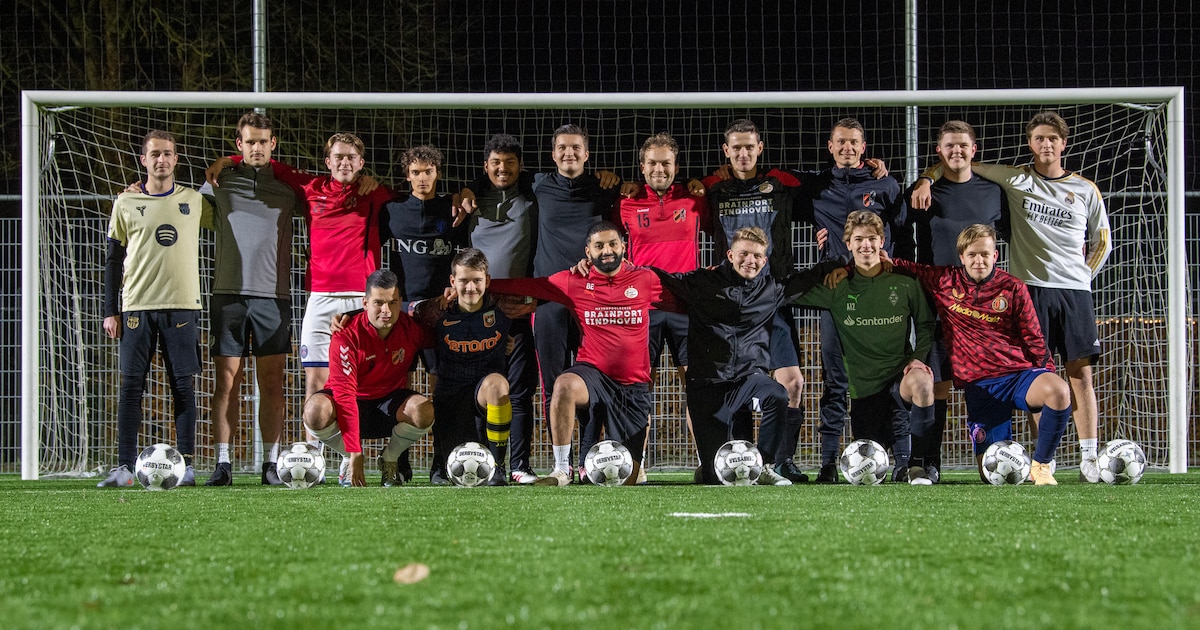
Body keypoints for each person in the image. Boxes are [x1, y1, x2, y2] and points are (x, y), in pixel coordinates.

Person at [911, 111, 1112, 482]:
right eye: (1039, 138)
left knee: (1075, 373)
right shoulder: (1015, 179)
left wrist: (1083, 275)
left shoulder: (1082, 189)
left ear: (1063, 143)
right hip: (1007, 289)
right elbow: (957, 161)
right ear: (1030, 143)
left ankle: (1083, 459)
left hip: (1071, 292)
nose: (1046, 144)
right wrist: (926, 176)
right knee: (1019, 372)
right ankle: (1032, 463)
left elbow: (1102, 240)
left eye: (1053, 138)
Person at [649, 227, 842, 485]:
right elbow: (661, 280)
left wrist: (839, 265)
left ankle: (763, 464)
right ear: (730, 254)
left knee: (778, 394)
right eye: (744, 254)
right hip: (708, 383)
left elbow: (810, 277)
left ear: (765, 260)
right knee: (714, 477)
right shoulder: (702, 282)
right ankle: (706, 467)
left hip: (747, 378)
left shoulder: (771, 290)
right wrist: (627, 270)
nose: (749, 261)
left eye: (757, 256)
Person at [886, 224, 1072, 485]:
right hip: (980, 387)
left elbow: (1034, 338)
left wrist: (1046, 371)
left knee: (1059, 391)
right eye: (972, 254)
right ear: (961, 257)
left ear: (995, 255)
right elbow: (909, 267)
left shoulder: (1013, 288)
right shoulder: (945, 281)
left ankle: (1041, 466)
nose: (979, 260)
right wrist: (877, 261)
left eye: (985, 254)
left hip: (1017, 375)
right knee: (991, 475)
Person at [488, 222, 661, 487]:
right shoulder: (574, 280)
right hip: (592, 375)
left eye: (612, 244)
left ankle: (635, 463)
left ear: (623, 247)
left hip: (631, 385)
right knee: (564, 385)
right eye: (599, 245)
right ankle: (561, 470)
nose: (607, 250)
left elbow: (683, 292)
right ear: (587, 251)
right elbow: (530, 286)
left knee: (630, 478)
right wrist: (481, 284)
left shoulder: (646, 279)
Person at [98, 130, 212, 488]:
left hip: (182, 307)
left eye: (167, 154)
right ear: (143, 160)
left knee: (183, 388)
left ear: (176, 159)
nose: (161, 160)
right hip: (136, 306)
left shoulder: (194, 201)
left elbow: (232, 210)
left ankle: (188, 467)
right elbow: (113, 260)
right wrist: (109, 310)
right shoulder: (125, 203)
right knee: (131, 387)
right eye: (154, 155)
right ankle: (123, 469)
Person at [793, 211, 934, 483]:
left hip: (899, 379)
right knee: (870, 468)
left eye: (871, 238)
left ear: (882, 241)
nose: (865, 245)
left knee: (923, 383)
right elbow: (792, 293)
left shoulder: (904, 281)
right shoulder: (837, 286)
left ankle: (916, 465)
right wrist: (833, 267)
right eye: (858, 239)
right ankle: (894, 464)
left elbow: (926, 325)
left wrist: (917, 359)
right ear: (848, 243)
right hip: (864, 388)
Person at [900, 120, 1006, 483]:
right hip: (938, 301)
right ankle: (929, 462)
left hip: (983, 305)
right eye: (949, 146)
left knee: (984, 379)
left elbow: (1016, 236)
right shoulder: (924, 193)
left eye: (963, 145)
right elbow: (900, 236)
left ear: (974, 150)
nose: (957, 151)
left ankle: (991, 460)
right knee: (938, 383)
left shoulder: (994, 192)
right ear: (939, 152)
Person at [803, 118, 904, 483]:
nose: (847, 148)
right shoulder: (815, 185)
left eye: (854, 143)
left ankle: (900, 458)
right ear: (830, 147)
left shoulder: (886, 185)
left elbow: (901, 231)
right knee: (835, 379)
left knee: (886, 376)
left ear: (865, 147)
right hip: (836, 293)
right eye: (840, 143)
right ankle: (828, 462)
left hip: (879, 295)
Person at [199, 112, 297, 486]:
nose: (257, 147)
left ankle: (270, 464)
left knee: (272, 382)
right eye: (250, 142)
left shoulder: (288, 189)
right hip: (228, 296)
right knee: (226, 382)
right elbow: (179, 206)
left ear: (273, 144)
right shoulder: (218, 181)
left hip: (274, 297)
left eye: (263, 141)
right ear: (239, 145)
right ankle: (223, 464)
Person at [615, 132, 710, 481]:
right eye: (652, 163)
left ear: (676, 167)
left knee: (696, 386)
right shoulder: (625, 203)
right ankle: (634, 466)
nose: (659, 169)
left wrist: (707, 182)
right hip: (644, 310)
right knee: (640, 388)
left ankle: (707, 461)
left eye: (666, 163)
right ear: (642, 167)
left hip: (687, 307)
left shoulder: (696, 200)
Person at [379, 144, 470, 484]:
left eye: (427, 171)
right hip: (400, 313)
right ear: (407, 176)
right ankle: (398, 463)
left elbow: (468, 255)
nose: (421, 178)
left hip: (440, 312)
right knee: (397, 387)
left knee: (441, 389)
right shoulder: (392, 210)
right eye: (415, 172)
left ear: (437, 173)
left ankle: (440, 464)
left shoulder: (454, 209)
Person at [458, 133, 541, 484]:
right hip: (479, 314)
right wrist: (463, 191)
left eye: (509, 162)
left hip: (519, 311)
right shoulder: (469, 201)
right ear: (485, 167)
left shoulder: (533, 199)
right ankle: (487, 465)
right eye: (495, 162)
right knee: (483, 391)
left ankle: (519, 465)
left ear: (520, 166)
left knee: (521, 391)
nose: (502, 168)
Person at [302, 269, 434, 487]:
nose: (386, 310)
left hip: (388, 405)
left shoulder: (411, 328)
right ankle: (346, 459)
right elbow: (344, 395)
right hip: (350, 405)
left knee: (424, 411)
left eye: (392, 303)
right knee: (314, 411)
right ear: (365, 303)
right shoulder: (345, 334)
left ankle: (389, 460)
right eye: (378, 303)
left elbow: (445, 338)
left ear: (400, 301)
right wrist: (354, 451)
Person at [414, 248, 525, 486]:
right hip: (449, 392)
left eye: (477, 280)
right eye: (464, 281)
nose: (471, 287)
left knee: (498, 385)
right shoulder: (437, 310)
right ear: (452, 281)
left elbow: (544, 296)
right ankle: (439, 464)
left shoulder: (503, 305)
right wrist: (350, 315)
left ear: (488, 281)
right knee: (439, 403)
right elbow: (400, 310)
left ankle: (497, 467)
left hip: (484, 391)